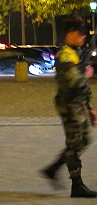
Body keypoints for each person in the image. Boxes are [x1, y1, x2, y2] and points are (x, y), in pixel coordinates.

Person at [41, 19, 97, 198]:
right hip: (69, 104)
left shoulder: (77, 53)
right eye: (80, 34)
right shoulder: (65, 56)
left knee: (85, 139)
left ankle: (54, 168)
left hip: (78, 103)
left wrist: (90, 106)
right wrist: (86, 74)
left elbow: (83, 86)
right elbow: (74, 82)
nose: (83, 38)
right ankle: (77, 184)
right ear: (70, 34)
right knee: (75, 143)